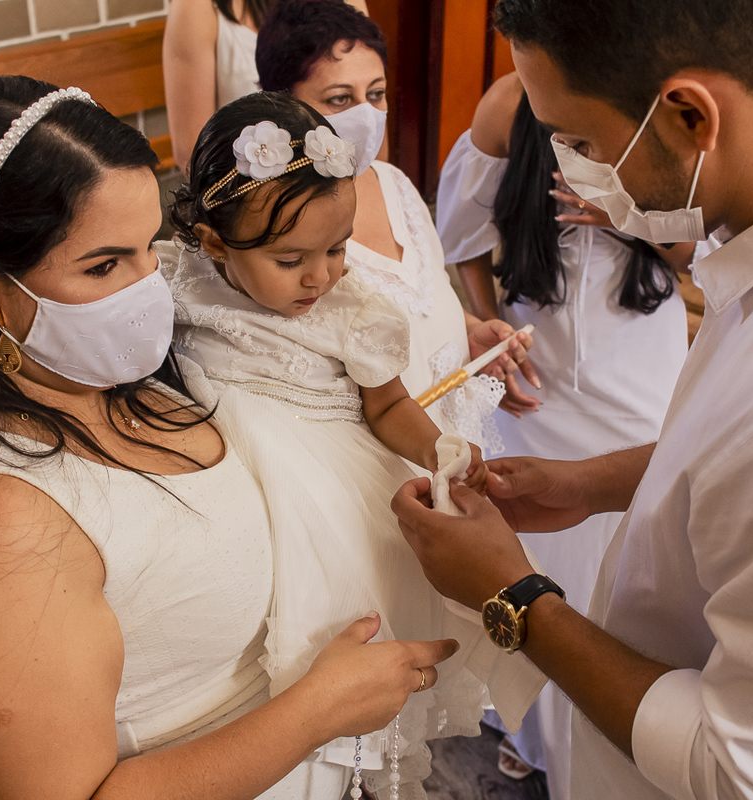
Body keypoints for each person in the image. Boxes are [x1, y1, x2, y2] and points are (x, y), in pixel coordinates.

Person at [392, 0, 753, 798]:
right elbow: (748, 453)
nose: (570, 168)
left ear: (690, 115)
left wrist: (514, 596)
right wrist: (591, 483)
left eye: (581, 143)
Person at [0, 75, 457, 800]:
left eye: (148, 247)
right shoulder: (0, 527)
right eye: (104, 265)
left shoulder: (137, 381)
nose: (151, 286)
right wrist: (317, 712)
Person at [161, 90, 547, 799]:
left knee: (329, 657)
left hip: (328, 499)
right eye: (291, 259)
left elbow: (390, 403)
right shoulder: (176, 280)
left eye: (337, 248)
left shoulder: (351, 308)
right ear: (214, 243)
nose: (322, 275)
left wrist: (439, 449)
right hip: (224, 489)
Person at [435, 70, 691, 794]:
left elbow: (706, 255)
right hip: (538, 364)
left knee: (632, 550)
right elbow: (461, 235)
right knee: (539, 545)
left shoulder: (662, 99)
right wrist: (493, 325)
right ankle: (534, 725)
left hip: (637, 353)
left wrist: (630, 217)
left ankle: (615, 731)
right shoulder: (507, 105)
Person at [255, 0, 534, 456]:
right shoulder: (286, 228)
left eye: (377, 94)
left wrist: (467, 330)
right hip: (383, 448)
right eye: (340, 99)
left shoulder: (395, 183)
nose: (366, 115)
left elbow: (423, 298)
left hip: (451, 430)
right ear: (283, 103)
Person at [163, 0, 369, 173]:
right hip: (250, 197)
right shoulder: (196, 7)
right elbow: (191, 154)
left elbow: (369, 117)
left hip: (350, 178)